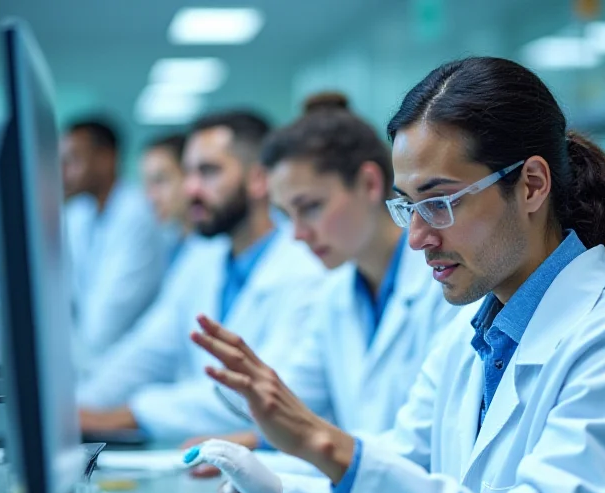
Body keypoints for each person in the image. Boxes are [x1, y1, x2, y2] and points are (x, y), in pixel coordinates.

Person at [189, 57, 605, 493]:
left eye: (439, 203)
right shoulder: (474, 335)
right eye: (407, 207)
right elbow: (406, 465)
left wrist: (317, 440)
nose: (417, 237)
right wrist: (278, 490)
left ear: (530, 185)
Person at [183, 93, 457, 466]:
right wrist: (249, 442)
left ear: (369, 183)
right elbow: (298, 409)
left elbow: (419, 448)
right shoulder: (336, 294)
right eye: (286, 214)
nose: (297, 234)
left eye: (310, 207)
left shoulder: (444, 285)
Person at [77, 111, 326, 441]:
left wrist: (124, 417)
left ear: (259, 179)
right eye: (189, 172)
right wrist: (78, 407)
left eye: (208, 172)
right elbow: (146, 352)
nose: (191, 188)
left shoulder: (305, 267)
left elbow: (257, 394)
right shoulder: (201, 259)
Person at [62, 118, 166, 376]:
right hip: (88, 363)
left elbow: (103, 329)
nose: (64, 172)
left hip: (124, 365)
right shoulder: (78, 214)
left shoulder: (136, 215)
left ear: (106, 158)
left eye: (73, 160)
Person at [140, 133, 192, 269]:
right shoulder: (174, 244)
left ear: (191, 177)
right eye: (147, 184)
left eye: (159, 180)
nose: (150, 197)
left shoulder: (215, 250)